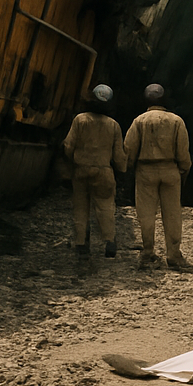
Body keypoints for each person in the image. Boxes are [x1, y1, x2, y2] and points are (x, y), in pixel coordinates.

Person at [123, 84, 193, 271]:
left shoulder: (139, 121)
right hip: (170, 169)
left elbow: (129, 148)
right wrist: (183, 169)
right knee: (172, 214)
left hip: (145, 170)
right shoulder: (176, 121)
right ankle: (174, 255)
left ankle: (147, 253)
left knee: (146, 214)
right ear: (164, 100)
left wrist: (129, 167)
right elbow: (183, 150)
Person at [62, 84, 126, 257]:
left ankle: (81, 243)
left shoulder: (80, 119)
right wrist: (122, 170)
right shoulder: (113, 125)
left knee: (81, 207)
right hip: (103, 171)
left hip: (81, 170)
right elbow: (119, 155)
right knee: (105, 206)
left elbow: (69, 145)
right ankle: (110, 242)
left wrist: (71, 160)